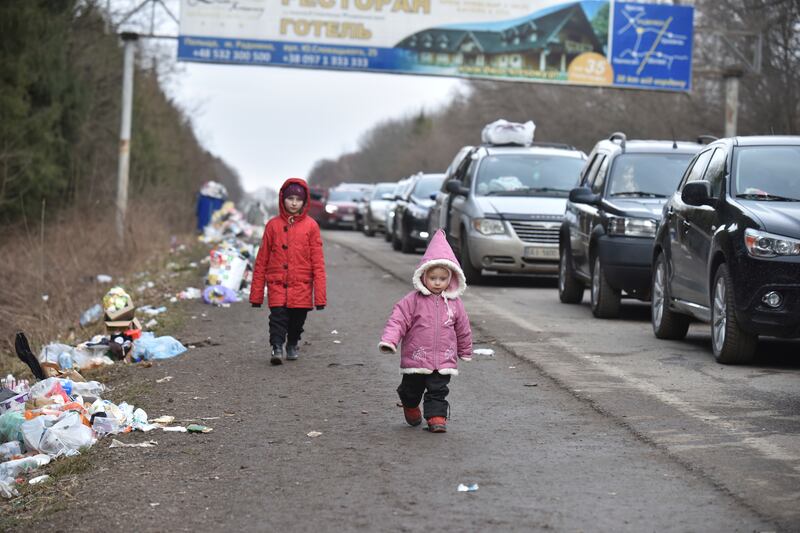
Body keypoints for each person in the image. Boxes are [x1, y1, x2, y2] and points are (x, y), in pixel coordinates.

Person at [379, 229, 473, 433]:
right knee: (412, 390)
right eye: (433, 278)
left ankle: (436, 418)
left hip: (443, 359)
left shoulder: (455, 304)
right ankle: (410, 404)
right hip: (417, 358)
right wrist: (390, 341)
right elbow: (398, 320)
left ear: (451, 278)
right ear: (423, 276)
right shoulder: (412, 301)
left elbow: (463, 328)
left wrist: (465, 350)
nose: (437, 282)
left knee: (438, 390)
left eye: (442, 278)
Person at [250, 178, 326, 365]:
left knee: (296, 322)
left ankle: (292, 343)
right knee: (277, 319)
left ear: (304, 201)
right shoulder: (273, 226)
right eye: (290, 198)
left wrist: (320, 297)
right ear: (282, 199)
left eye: (298, 199)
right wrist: (257, 295)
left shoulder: (311, 226)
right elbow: (262, 260)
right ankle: (277, 347)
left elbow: (318, 262)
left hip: (302, 285)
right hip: (277, 284)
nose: (294, 202)